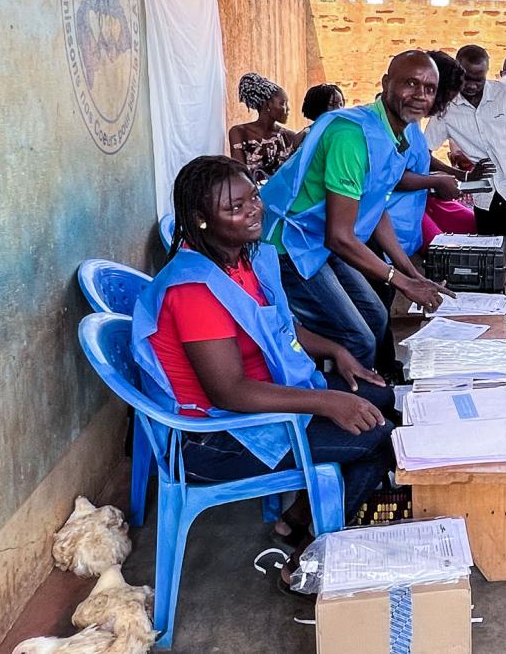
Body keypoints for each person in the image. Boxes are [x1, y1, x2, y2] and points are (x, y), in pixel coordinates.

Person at [132, 156, 395, 589]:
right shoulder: (195, 290)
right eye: (234, 208)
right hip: (215, 437)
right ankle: (304, 566)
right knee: (379, 439)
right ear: (201, 220)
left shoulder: (237, 260)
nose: (253, 210)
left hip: (258, 399)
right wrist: (327, 401)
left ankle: (295, 520)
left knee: (383, 397)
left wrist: (337, 351)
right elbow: (229, 392)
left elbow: (277, 326)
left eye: (253, 197)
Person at [260, 51, 452, 375]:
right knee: (357, 336)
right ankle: (344, 401)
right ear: (386, 84)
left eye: (429, 89)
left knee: (376, 316)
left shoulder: (397, 134)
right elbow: (339, 237)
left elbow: (374, 208)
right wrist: (401, 282)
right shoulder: (352, 136)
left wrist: (411, 273)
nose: (420, 95)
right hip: (289, 245)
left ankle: (363, 390)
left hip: (318, 240)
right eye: (410, 83)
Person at [425, 45, 506, 344]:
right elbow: (423, 153)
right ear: (457, 72)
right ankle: (495, 334)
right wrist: (463, 175)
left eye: (478, 79)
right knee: (490, 268)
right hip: (487, 197)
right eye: (466, 78)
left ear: (488, 73)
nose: (471, 85)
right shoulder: (447, 108)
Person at [386, 51, 468, 256]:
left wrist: (458, 175)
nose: (443, 107)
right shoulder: (390, 124)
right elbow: (390, 176)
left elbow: (421, 158)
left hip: (410, 213)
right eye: (445, 100)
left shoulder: (412, 121)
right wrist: (435, 181)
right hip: (390, 218)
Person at [231, 73, 299, 182]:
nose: (288, 109)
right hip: (250, 192)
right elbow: (239, 174)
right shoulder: (239, 132)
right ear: (267, 105)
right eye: (283, 103)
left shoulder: (289, 137)